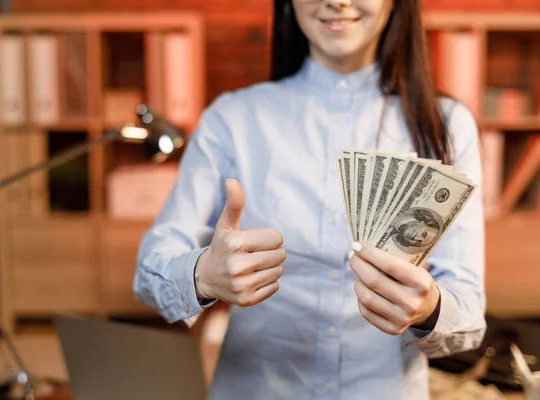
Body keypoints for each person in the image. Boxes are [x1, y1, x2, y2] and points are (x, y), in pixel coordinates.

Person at [133, 0, 486, 398]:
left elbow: (469, 315)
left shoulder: (448, 126)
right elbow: (150, 268)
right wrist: (203, 275)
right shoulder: (233, 119)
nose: (338, 1)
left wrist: (430, 308)